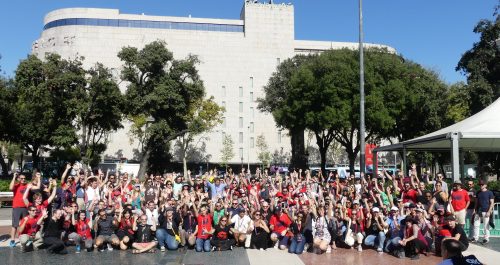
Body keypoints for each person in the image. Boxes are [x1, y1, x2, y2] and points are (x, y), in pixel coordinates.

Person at [10, 172, 35, 247]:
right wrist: (14, 177)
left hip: (25, 208)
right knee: (15, 225)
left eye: (24, 178)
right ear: (18, 179)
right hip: (16, 207)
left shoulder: (27, 185)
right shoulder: (16, 185)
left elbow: (36, 187)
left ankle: (25, 239)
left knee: (25, 224)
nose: (23, 180)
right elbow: (10, 188)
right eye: (21, 178)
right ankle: (12, 240)